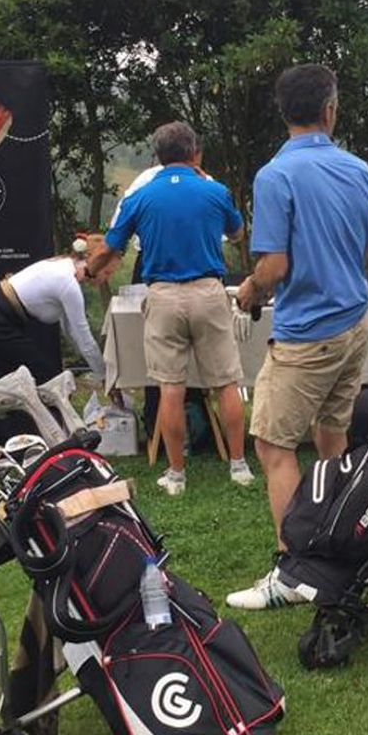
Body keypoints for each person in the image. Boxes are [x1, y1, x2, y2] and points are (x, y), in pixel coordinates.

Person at [226, 63, 368, 610]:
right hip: (353, 323)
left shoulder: (276, 175)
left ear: (284, 112)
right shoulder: (362, 170)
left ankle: (295, 568)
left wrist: (248, 291)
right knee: (332, 438)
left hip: (306, 334)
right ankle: (344, 541)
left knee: (272, 445)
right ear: (330, 109)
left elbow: (273, 265)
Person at [90, 121, 253, 495]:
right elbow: (238, 233)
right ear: (195, 153)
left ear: (158, 157)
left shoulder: (141, 197)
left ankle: (177, 474)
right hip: (210, 292)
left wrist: (90, 270)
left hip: (162, 295)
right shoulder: (215, 190)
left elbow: (112, 246)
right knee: (226, 382)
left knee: (171, 388)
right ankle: (239, 465)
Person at [0, 244, 113, 442]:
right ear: (95, 263)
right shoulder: (67, 282)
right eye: (107, 271)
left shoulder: (62, 268)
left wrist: (102, 374)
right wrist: (105, 376)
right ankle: (51, 436)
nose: (107, 278)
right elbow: (83, 337)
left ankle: (22, 436)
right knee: (43, 374)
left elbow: (71, 331)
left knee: (22, 376)